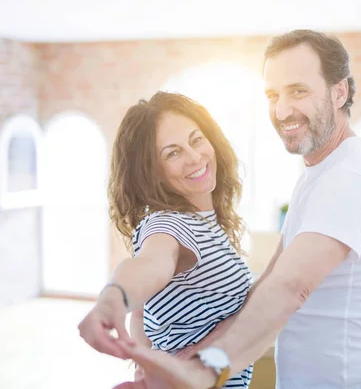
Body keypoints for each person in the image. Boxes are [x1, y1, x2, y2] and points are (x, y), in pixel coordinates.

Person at [115, 29, 361, 389]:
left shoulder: (351, 180)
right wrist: (186, 358)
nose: (283, 110)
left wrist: (205, 369)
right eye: (273, 95)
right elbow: (269, 282)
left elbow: (290, 287)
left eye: (298, 91)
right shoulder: (316, 178)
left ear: (339, 92)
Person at [77, 91, 254, 388]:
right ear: (153, 173)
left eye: (196, 140)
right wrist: (114, 296)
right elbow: (150, 263)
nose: (195, 157)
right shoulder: (169, 224)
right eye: (173, 153)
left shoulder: (206, 224)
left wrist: (144, 358)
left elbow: (143, 312)